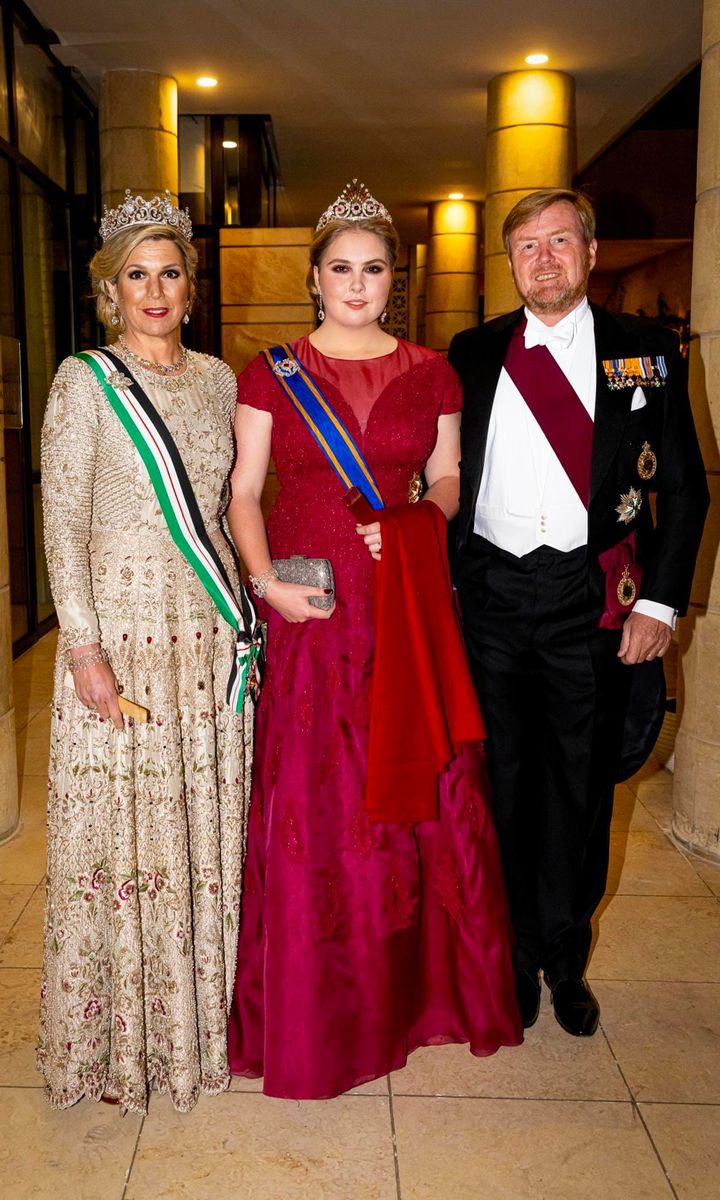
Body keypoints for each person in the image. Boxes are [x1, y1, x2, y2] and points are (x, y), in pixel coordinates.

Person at [226, 180, 522, 1099]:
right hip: (312, 614)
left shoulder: (434, 373)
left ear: (395, 280)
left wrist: (411, 526)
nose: (357, 285)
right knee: (318, 800)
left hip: (401, 605)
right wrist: (267, 585)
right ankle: (320, 1008)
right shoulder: (268, 372)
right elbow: (243, 492)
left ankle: (413, 995)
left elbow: (446, 479)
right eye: (341, 269)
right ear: (314, 278)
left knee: (413, 794)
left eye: (374, 269)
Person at [449, 188, 709, 1037]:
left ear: (591, 253)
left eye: (560, 241)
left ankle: (566, 959)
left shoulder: (648, 351)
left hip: (587, 602)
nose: (545, 258)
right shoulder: (472, 351)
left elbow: (683, 489)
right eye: (527, 246)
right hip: (489, 601)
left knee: (580, 789)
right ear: (511, 262)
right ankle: (515, 955)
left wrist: (661, 605)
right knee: (506, 787)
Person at [38, 192, 259, 1113]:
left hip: (207, 635)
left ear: (189, 286)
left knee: (201, 833)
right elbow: (63, 521)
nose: (155, 289)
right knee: (126, 835)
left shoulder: (220, 381)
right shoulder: (81, 382)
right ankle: (123, 1045)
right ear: (109, 290)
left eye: (170, 272)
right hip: (122, 645)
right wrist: (84, 650)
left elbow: (238, 502)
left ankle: (201, 1026)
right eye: (137, 274)